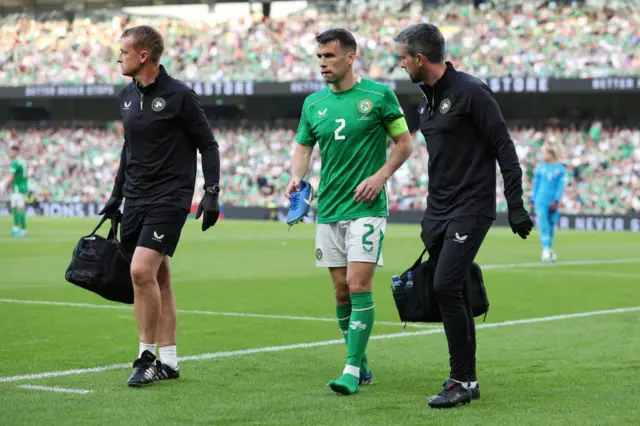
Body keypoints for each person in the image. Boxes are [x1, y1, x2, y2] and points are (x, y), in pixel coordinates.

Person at [393, 23, 533, 408]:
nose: (400, 64)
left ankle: (460, 379)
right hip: (437, 213)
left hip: (472, 209)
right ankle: (468, 381)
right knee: (450, 289)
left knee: (444, 286)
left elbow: (504, 148)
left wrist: (515, 204)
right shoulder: (425, 101)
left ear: (420, 58)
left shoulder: (472, 91)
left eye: (403, 58)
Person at [285, 28, 413, 396]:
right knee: (341, 292)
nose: (323, 63)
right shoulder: (313, 104)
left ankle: (352, 370)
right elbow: (303, 147)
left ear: (350, 57)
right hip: (329, 208)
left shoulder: (378, 96)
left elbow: (404, 144)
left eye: (329, 56)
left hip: (367, 207)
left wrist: (381, 176)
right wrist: (297, 177)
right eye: (319, 57)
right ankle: (363, 363)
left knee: (358, 284)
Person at [100, 25, 221, 387]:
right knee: (159, 278)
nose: (118, 56)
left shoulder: (180, 95)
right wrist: (115, 195)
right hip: (135, 196)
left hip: (170, 197)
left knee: (140, 271)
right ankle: (169, 360)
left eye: (123, 50)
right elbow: (128, 150)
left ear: (143, 56)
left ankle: (146, 356)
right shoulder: (125, 95)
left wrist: (211, 191)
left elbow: (208, 144)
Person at [531, 146, 566, 262]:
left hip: (553, 201)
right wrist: (532, 199)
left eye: (545, 153)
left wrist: (556, 200)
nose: (543, 156)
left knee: (551, 225)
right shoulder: (540, 168)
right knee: (544, 224)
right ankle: (545, 249)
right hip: (541, 200)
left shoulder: (560, 169)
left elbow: (560, 186)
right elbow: (536, 185)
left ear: (551, 154)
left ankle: (549, 249)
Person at [5, 145, 28, 237]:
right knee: (15, 208)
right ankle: (15, 228)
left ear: (16, 151)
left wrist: (4, 186)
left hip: (18, 188)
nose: (10, 153)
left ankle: (23, 230)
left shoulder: (16, 162)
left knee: (19, 209)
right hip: (21, 187)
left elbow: (12, 176)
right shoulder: (23, 161)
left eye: (11, 151)